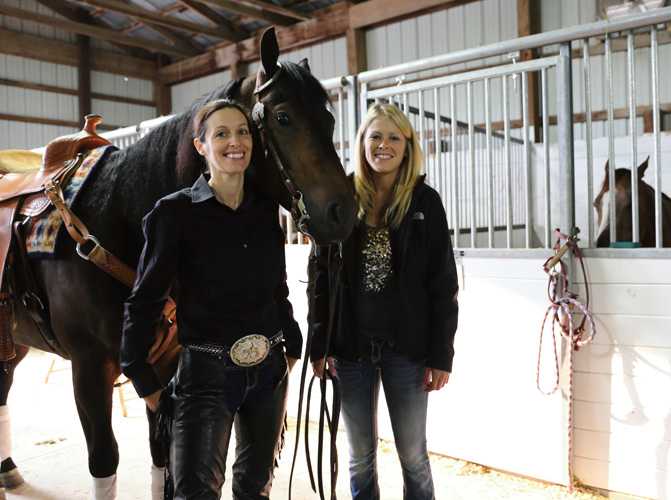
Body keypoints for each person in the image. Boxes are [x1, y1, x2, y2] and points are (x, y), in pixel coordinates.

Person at [121, 98, 302, 500]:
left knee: (256, 488)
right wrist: (140, 374)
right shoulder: (173, 214)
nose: (235, 141)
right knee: (197, 492)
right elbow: (145, 299)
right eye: (221, 133)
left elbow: (277, 285)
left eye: (242, 132)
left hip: (269, 369)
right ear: (201, 146)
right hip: (205, 374)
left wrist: (291, 338)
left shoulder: (264, 209)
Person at [307, 103, 459, 500]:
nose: (384, 145)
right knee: (360, 455)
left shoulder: (425, 202)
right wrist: (318, 344)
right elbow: (320, 278)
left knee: (413, 455)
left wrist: (441, 354)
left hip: (407, 349)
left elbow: (443, 283)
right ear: (362, 142)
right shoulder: (339, 197)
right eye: (375, 136)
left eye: (394, 137)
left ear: (407, 147)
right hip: (350, 348)